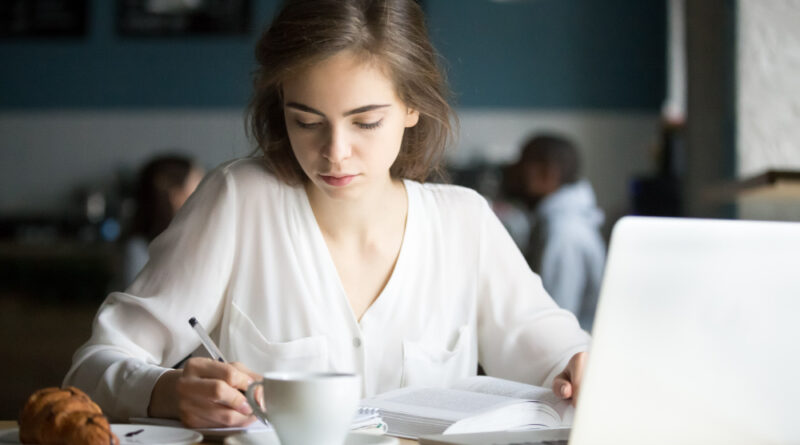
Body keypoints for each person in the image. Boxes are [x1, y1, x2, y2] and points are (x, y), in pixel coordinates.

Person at [64, 0, 590, 428]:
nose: (334, 153)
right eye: (307, 121)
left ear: (412, 108)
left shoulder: (465, 223)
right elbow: (90, 369)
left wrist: (581, 370)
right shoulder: (239, 201)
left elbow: (559, 360)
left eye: (365, 122)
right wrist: (167, 390)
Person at [510, 134, 606, 332]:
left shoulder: (564, 234)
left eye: (522, 165)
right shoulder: (561, 222)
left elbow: (555, 322)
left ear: (547, 174)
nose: (513, 173)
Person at [122, 155, 205, 287]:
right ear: (175, 194)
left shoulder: (197, 239)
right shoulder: (137, 249)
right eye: (199, 185)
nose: (205, 194)